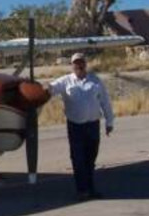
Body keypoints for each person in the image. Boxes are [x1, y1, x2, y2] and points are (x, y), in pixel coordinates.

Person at [47, 53, 114, 201]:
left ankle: (91, 189)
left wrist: (109, 122)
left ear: (85, 64)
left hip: (93, 126)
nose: (79, 65)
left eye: (81, 62)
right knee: (78, 159)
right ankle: (82, 190)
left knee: (90, 159)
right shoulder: (65, 81)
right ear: (72, 65)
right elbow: (50, 89)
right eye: (75, 63)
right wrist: (40, 88)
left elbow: (105, 102)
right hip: (75, 127)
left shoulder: (95, 81)